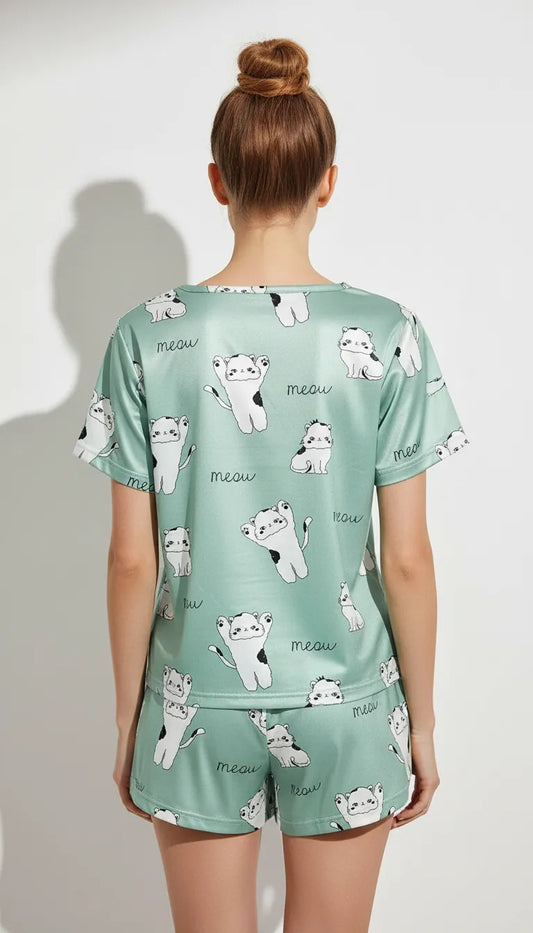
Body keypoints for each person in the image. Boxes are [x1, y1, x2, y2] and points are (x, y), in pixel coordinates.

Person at [71, 36, 470, 933]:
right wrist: (421, 722)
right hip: (350, 701)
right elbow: (406, 558)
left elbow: (131, 561)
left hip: (195, 699)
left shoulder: (145, 336)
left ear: (218, 182)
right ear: (327, 182)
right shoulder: (390, 333)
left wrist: (132, 717)